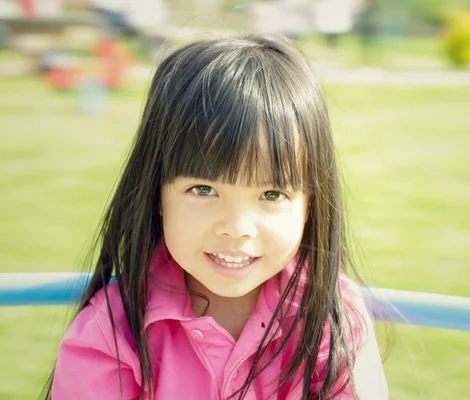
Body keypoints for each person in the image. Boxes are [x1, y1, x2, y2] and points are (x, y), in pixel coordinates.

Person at [43, 34, 388, 399]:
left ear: (310, 207)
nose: (236, 228)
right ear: (156, 191)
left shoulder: (333, 317)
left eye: (272, 194)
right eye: (204, 190)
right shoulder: (109, 334)